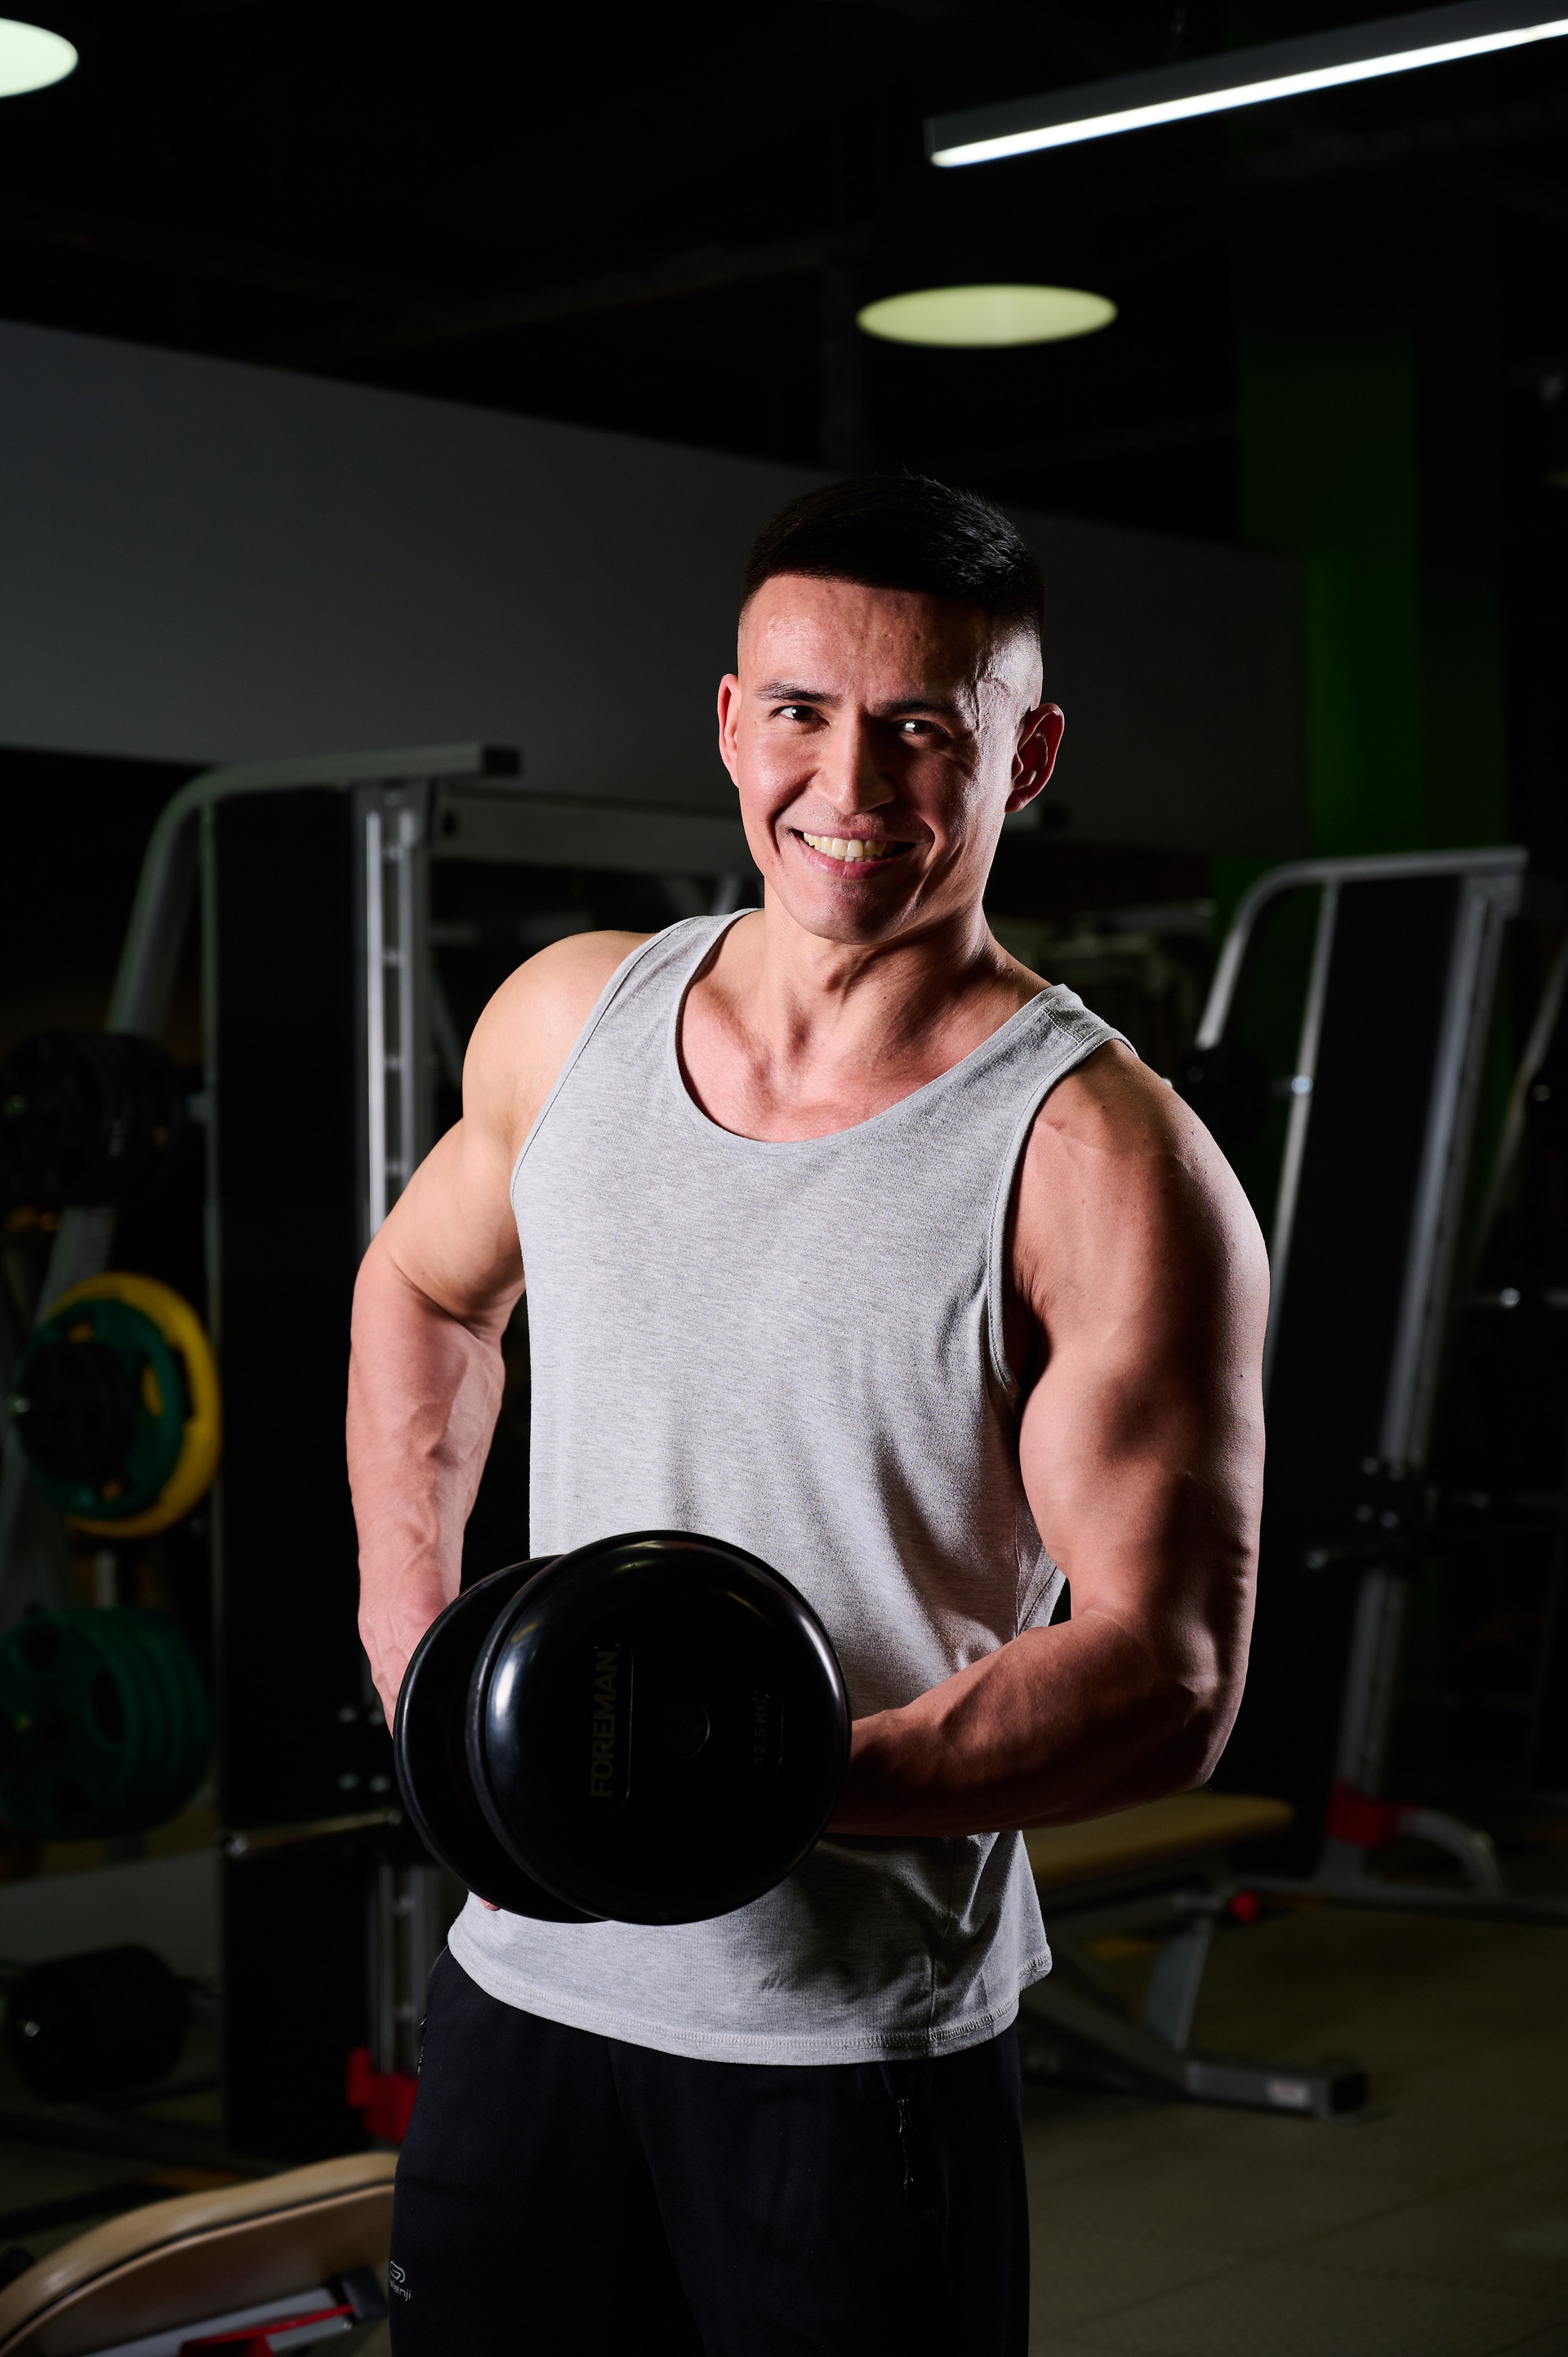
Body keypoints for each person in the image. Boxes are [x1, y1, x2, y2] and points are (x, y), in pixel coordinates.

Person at [347, 475, 1267, 2355]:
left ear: (1027, 758)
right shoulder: (570, 1022)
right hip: (526, 1993)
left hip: (847, 2052)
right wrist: (412, 1628)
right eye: (801, 712)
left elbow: (1169, 1670)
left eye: (925, 728)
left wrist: (742, 1789)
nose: (850, 785)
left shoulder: (1099, 1160)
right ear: (729, 721)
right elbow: (424, 1290)